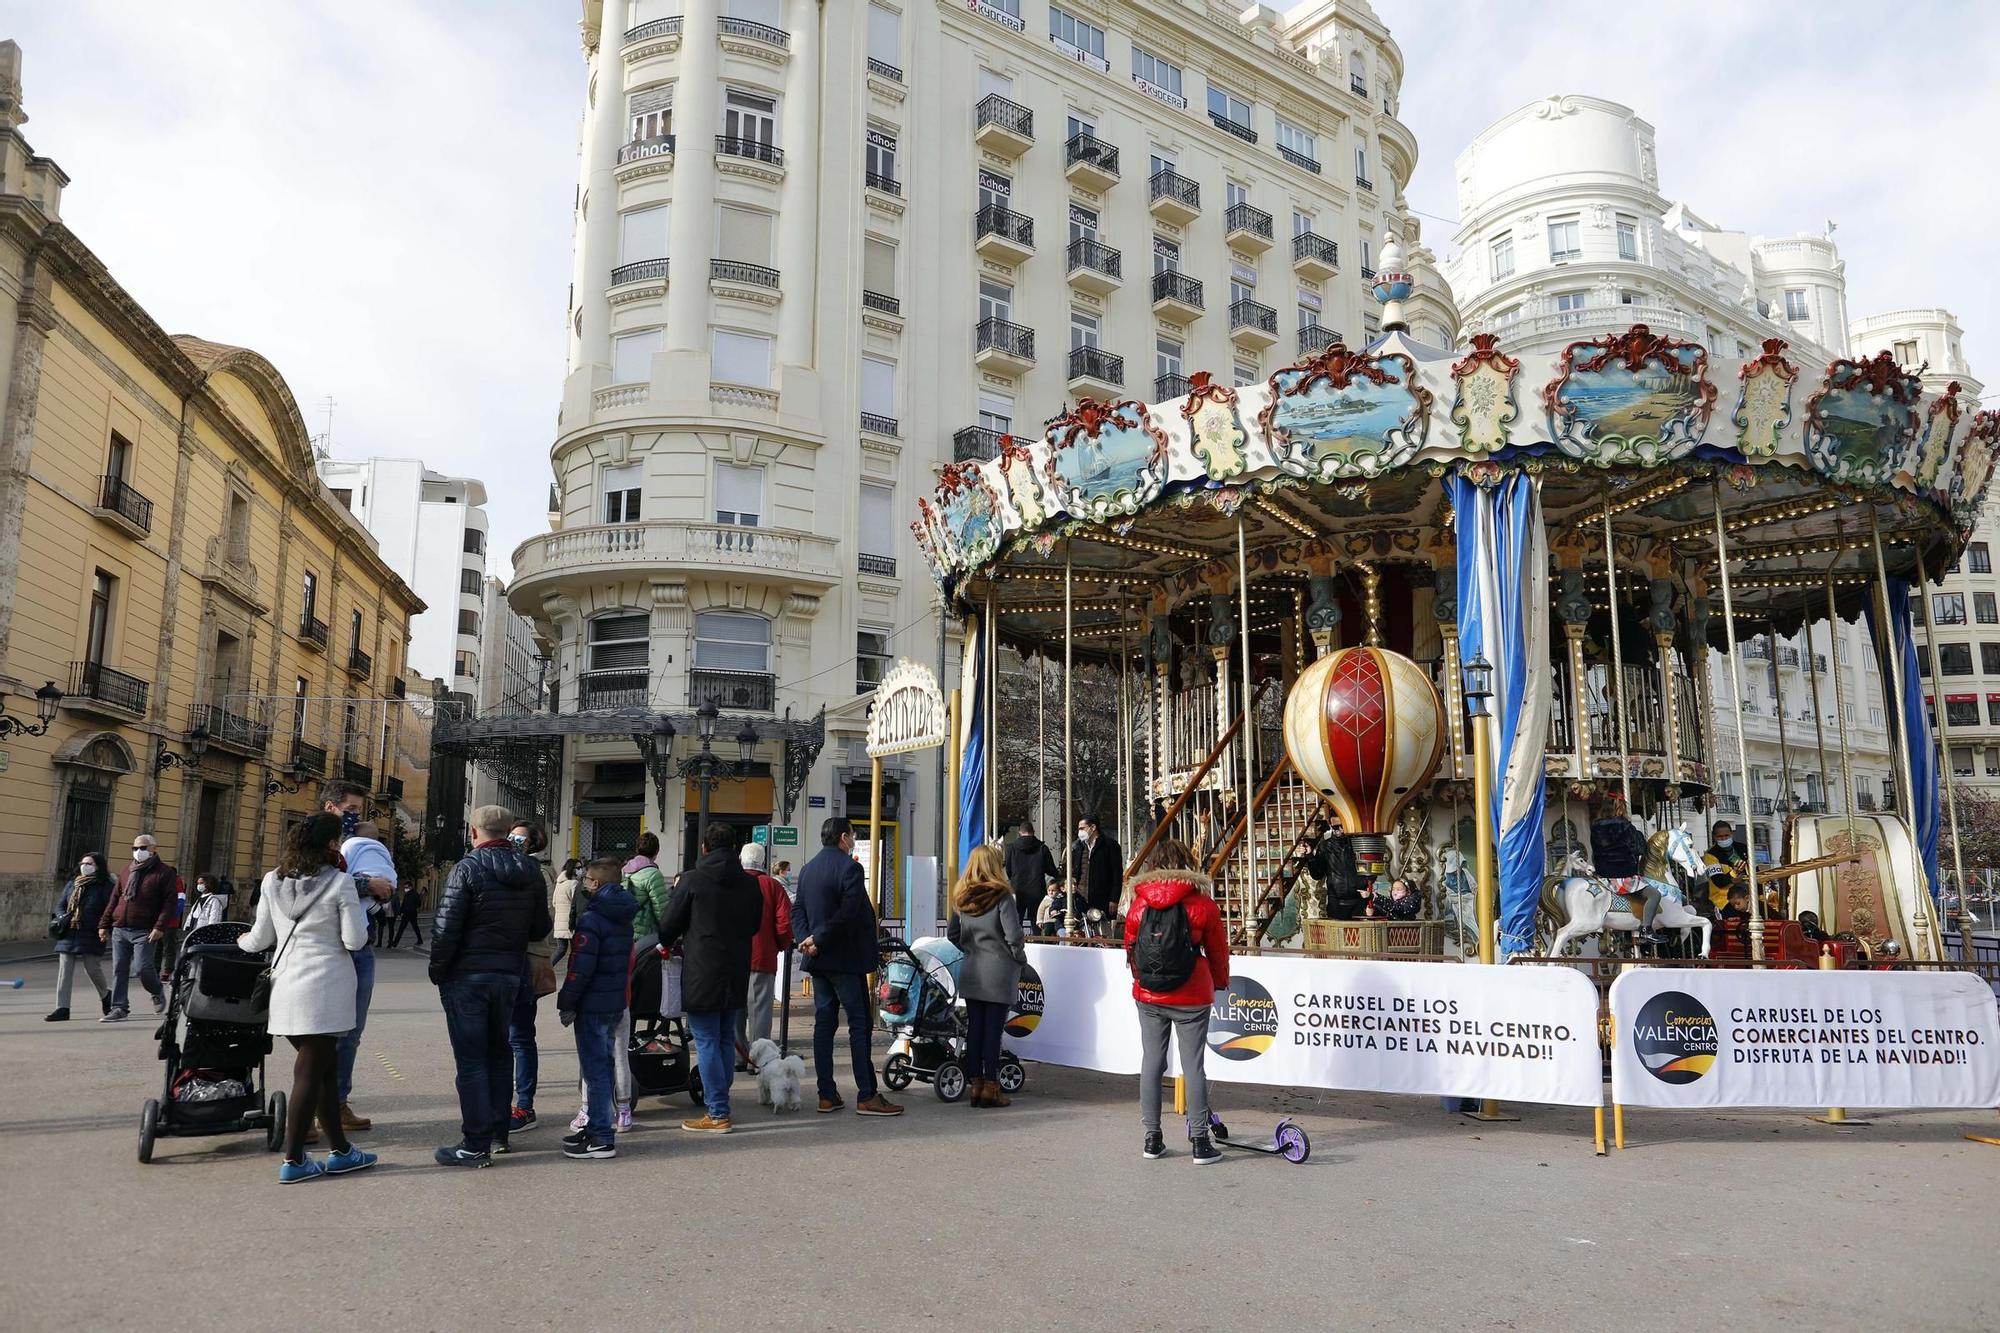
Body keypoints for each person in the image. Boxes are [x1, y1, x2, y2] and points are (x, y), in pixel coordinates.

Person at [238, 813, 376, 1183]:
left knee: (324, 1074)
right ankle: (294, 1158)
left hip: (286, 988)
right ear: (331, 846)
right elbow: (354, 940)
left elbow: (259, 938)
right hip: (326, 990)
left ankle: (341, 1151)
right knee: (309, 1074)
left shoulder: (273, 880)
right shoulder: (341, 883)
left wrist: (235, 942)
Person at [428, 804, 553, 1167]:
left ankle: (474, 1143)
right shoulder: (530, 870)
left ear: (473, 832)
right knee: (500, 1053)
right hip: (508, 976)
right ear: (508, 831)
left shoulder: (466, 869)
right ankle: (499, 1133)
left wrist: (439, 971)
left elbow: (446, 927)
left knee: (471, 1061)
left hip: (468, 977)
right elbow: (538, 928)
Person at [1124, 839, 1231, 1165]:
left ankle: (1152, 1138)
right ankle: (1200, 1141)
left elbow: (1131, 949)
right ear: (1187, 864)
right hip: (1192, 994)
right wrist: (1221, 981)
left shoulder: (1138, 904)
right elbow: (1217, 950)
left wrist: (1142, 980)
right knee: (1193, 1065)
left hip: (1150, 994)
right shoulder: (1203, 905)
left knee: (1152, 1062)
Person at [793, 817, 903, 1117]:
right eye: (852, 835)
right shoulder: (850, 868)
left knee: (824, 1023)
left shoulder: (807, 869)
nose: (853, 839)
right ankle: (867, 1094)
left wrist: (806, 939)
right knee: (859, 1024)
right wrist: (820, 938)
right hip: (843, 958)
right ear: (844, 837)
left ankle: (826, 1093)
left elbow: (797, 908)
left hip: (818, 958)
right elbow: (849, 912)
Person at [658, 822, 762, 1133]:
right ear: (733, 848)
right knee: (725, 1037)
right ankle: (720, 1101)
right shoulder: (750, 884)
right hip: (736, 967)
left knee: (705, 1040)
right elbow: (754, 925)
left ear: (704, 847)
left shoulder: (691, 881)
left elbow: (667, 926)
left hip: (702, 969)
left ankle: (718, 1111)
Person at [322, 780, 391, 1134]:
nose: (355, 818)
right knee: (318, 1033)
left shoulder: (358, 844)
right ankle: (310, 1109)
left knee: (351, 1031)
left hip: (360, 945)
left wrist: (378, 886)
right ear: (330, 807)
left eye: (358, 812)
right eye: (350, 811)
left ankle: (338, 1102)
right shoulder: (314, 838)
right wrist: (368, 885)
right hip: (324, 949)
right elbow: (313, 880)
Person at [557, 857, 636, 1160]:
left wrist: (567, 1001)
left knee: (596, 1071)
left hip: (593, 1004)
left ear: (598, 884)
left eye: (588, 879)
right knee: (604, 1066)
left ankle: (601, 1136)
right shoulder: (623, 915)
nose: (584, 883)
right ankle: (596, 1129)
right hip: (614, 1000)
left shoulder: (592, 919)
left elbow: (580, 968)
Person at [947, 844, 1026, 1108]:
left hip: (972, 970)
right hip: (998, 971)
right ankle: (992, 1088)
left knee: (975, 1030)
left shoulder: (961, 897)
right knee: (993, 1031)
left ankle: (976, 1086)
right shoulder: (1002, 897)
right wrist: (1017, 957)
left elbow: (952, 935)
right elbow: (1014, 936)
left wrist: (970, 950)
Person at [509, 821, 558, 1135]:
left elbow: (542, 923)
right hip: (507, 959)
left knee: (521, 1036)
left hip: (527, 959)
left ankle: (524, 1104)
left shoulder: (539, 874)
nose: (514, 840)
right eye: (511, 834)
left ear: (532, 843)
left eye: (520, 837)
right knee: (509, 1036)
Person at [97, 832, 177, 1022]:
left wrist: (159, 927)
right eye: (135, 848)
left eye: (142, 848)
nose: (138, 851)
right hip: (120, 928)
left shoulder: (164, 873)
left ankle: (156, 990)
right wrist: (104, 924)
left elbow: (169, 903)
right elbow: (114, 899)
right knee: (119, 969)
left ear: (153, 849)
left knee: (142, 968)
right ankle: (119, 1008)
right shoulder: (127, 871)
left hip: (145, 930)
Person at [736, 841, 794, 1056]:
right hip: (763, 955)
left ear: (741, 859)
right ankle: (759, 1058)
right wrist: (780, 945)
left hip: (733, 956)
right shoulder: (772, 885)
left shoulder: (732, 883)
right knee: (761, 1010)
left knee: (735, 1009)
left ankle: (738, 1056)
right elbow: (784, 922)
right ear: (763, 861)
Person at [48, 852, 114, 1021]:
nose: (85, 866)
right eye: (83, 863)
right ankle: (62, 1008)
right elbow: (60, 905)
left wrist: (104, 927)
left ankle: (106, 995)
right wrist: (63, 917)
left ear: (98, 866)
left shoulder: (105, 885)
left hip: (92, 932)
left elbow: (110, 909)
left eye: (90, 863)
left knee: (92, 968)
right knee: (65, 969)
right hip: (69, 931)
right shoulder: (72, 884)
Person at [1589, 794, 1661, 940]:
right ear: (1618, 809)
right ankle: (1646, 928)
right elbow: (1639, 849)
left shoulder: (1595, 827)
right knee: (1655, 895)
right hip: (1623, 876)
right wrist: (1638, 835)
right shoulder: (1625, 826)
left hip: (1603, 876)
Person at [342, 820, 397, 949]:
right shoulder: (381, 849)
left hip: (362, 876)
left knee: (360, 905)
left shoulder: (350, 845)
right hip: (384, 877)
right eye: (352, 808)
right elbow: (390, 865)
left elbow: (342, 871)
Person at [1070, 815, 1124, 938]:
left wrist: (1114, 898)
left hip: (1101, 895)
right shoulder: (1078, 847)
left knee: (1102, 930)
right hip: (1081, 896)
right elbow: (1075, 871)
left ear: (1093, 827)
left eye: (1082, 828)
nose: (1080, 832)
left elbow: (1116, 874)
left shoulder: (1110, 845)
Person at [1005, 820, 1059, 929]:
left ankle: (1017, 944)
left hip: (1018, 889)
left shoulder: (1011, 848)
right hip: (1037, 889)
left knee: (1016, 921)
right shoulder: (1042, 848)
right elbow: (1051, 870)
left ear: (1020, 832)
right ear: (1033, 832)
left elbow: (1008, 870)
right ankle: (1037, 943)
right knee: (1036, 921)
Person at [624, 832, 670, 947]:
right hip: (644, 935)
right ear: (657, 851)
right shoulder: (653, 874)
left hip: (624, 930)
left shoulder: (625, 869)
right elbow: (661, 909)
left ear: (637, 849)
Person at [1703, 819, 1748, 912]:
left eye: (1726, 835)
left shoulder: (1743, 848)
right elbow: (1718, 881)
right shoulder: (1710, 855)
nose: (1724, 839)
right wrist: (1733, 873)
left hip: (1746, 894)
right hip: (1723, 899)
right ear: (1714, 837)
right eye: (1720, 836)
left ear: (1732, 834)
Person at [550, 858, 583, 962]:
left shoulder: (559, 883)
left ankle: (547, 970)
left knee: (561, 949)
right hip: (570, 922)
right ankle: (573, 971)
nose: (580, 870)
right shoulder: (573, 883)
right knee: (575, 951)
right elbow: (577, 903)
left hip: (559, 922)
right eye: (578, 868)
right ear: (571, 869)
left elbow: (554, 902)